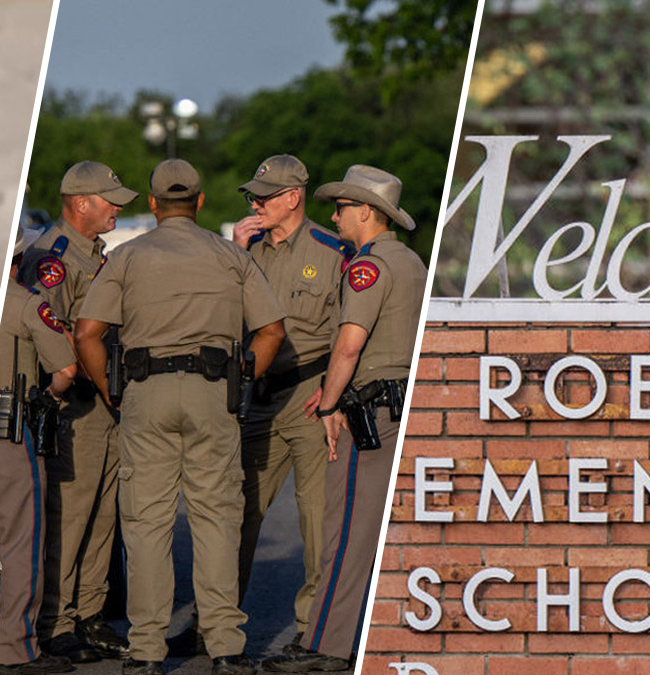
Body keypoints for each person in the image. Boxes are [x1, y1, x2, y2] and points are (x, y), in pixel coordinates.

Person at [73, 159, 287, 675]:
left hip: (144, 394)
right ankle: (225, 647)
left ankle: (146, 651)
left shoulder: (127, 257)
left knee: (146, 524)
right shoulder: (228, 256)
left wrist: (111, 391)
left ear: (151, 204)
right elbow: (273, 329)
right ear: (200, 202)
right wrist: (243, 376)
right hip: (213, 392)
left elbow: (86, 333)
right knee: (217, 519)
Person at [263, 165, 426, 673]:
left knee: (346, 534)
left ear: (366, 213)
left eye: (341, 207)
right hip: (398, 401)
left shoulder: (368, 266)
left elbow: (349, 345)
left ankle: (323, 648)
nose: (333, 216)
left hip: (372, 410)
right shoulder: (412, 261)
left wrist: (330, 404)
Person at [232, 155, 352, 647]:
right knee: (234, 512)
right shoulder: (248, 249)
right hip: (257, 397)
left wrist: (334, 395)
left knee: (316, 519)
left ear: (293, 198)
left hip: (310, 395)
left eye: (265, 195)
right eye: (253, 195)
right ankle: (217, 624)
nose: (255, 203)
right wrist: (234, 254)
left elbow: (354, 329)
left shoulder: (333, 251)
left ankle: (312, 631)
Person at [20, 161, 137, 663]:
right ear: (81, 202)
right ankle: (56, 620)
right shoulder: (54, 256)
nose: (117, 208)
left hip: (107, 401)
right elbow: (52, 333)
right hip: (77, 404)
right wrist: (97, 380)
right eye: (110, 200)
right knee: (68, 515)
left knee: (102, 514)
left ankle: (90, 615)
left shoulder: (95, 255)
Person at [0, 227, 79, 675]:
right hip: (9, 427)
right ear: (18, 255)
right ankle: (16, 648)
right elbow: (65, 368)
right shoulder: (27, 303)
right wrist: (50, 396)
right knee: (22, 543)